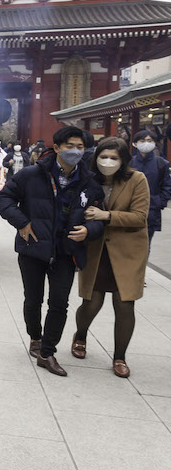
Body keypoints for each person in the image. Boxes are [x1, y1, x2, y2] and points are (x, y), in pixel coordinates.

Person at [0, 126, 105, 377]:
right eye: (70, 146)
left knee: (59, 303)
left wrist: (89, 231)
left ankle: (47, 351)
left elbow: (98, 218)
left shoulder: (89, 182)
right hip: (33, 247)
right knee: (33, 299)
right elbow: (4, 200)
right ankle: (35, 337)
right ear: (56, 148)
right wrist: (22, 222)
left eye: (80, 147)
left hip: (67, 251)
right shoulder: (32, 174)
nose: (75, 151)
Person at [72, 137, 150, 378]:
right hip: (95, 248)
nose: (108, 162)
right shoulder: (87, 179)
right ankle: (81, 335)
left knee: (124, 304)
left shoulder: (137, 180)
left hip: (127, 251)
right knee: (91, 303)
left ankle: (119, 356)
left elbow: (139, 217)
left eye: (114, 158)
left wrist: (107, 215)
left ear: (123, 159)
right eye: (103, 157)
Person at [130, 129, 171, 248]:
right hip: (130, 208)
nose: (146, 143)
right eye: (142, 140)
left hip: (152, 209)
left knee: (145, 245)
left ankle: (140, 267)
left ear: (154, 143)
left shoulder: (161, 163)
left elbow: (167, 185)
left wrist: (160, 201)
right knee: (129, 244)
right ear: (135, 144)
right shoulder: (129, 163)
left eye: (150, 140)